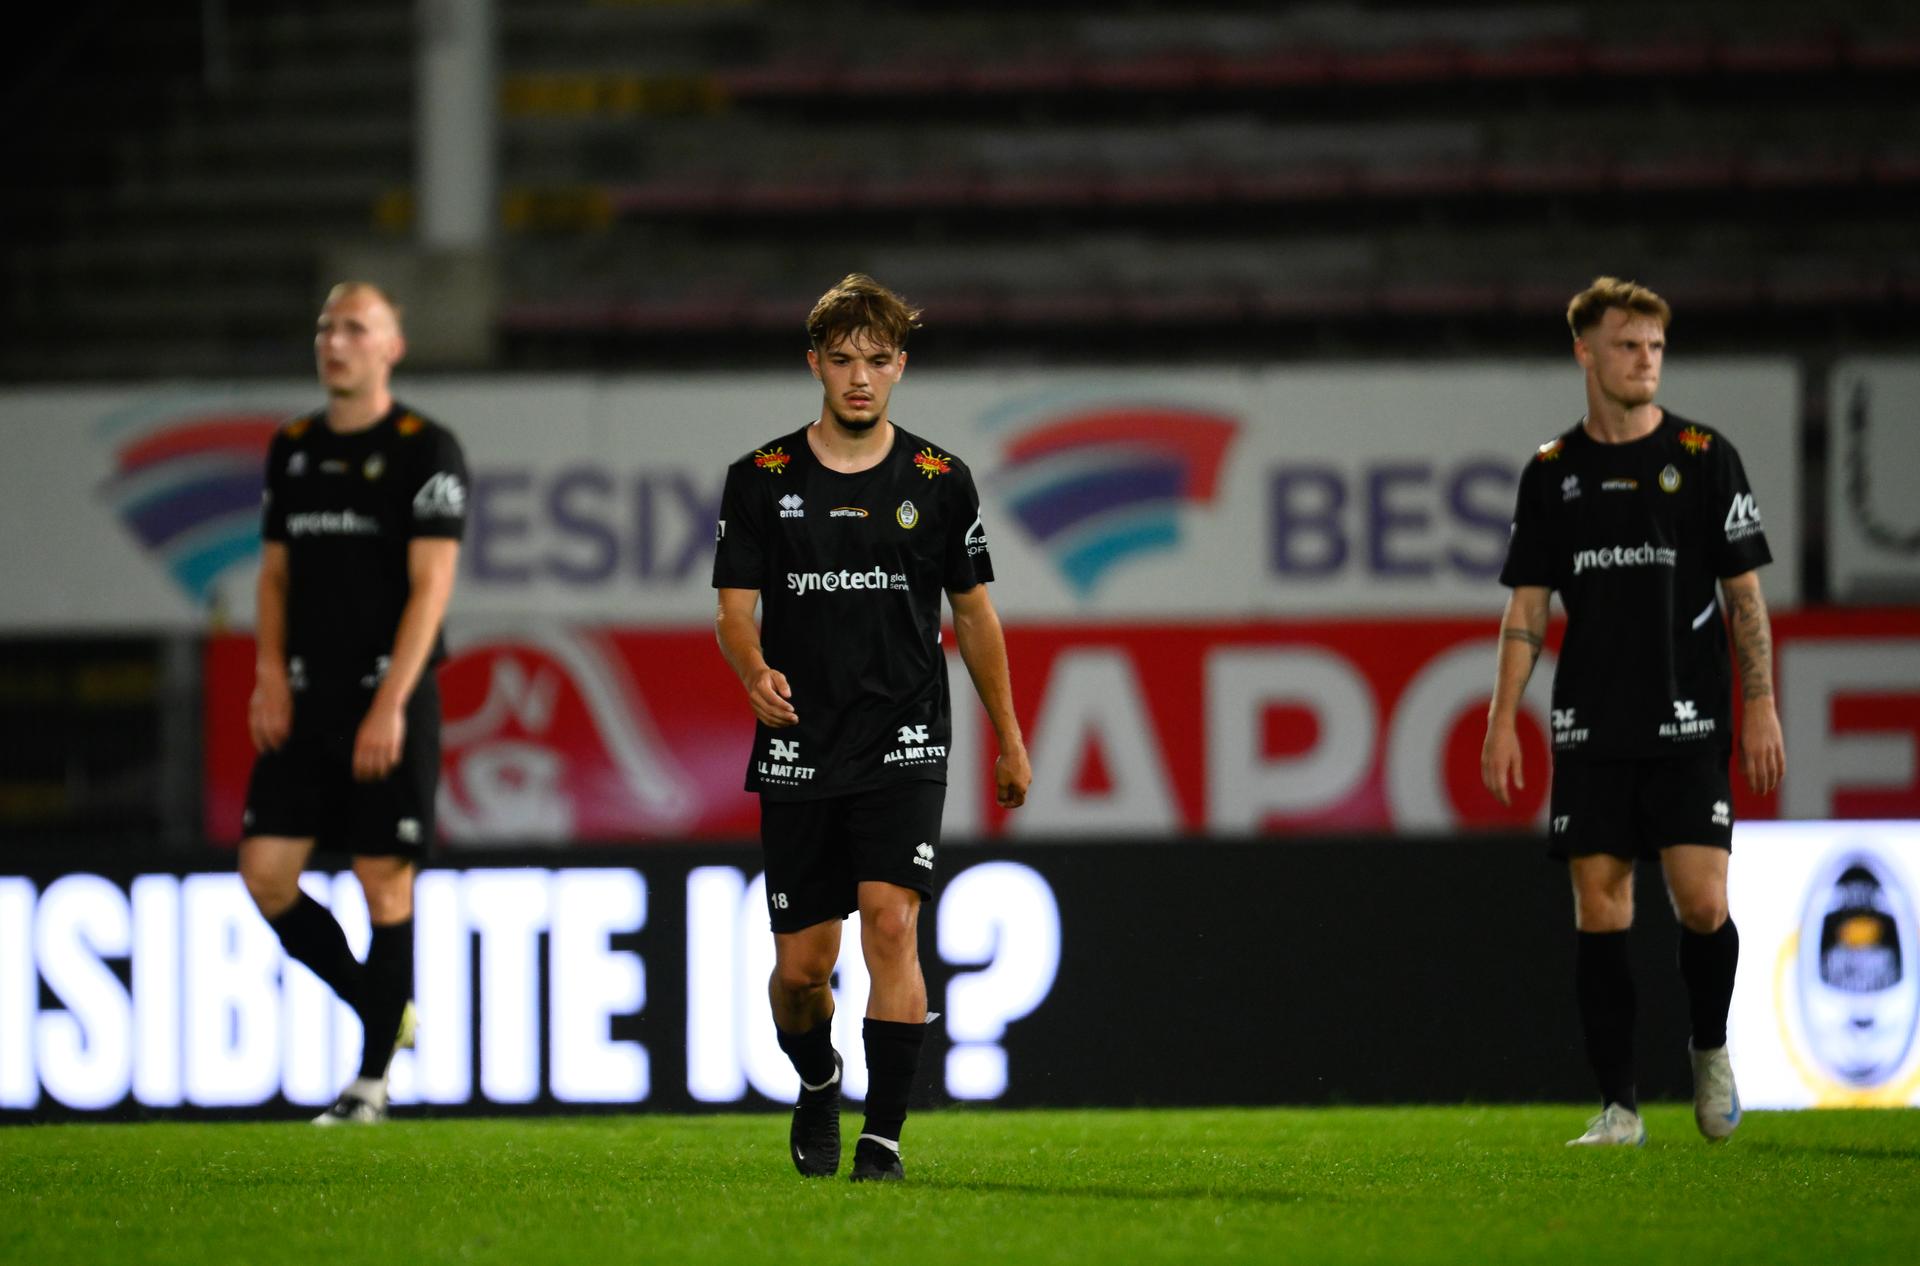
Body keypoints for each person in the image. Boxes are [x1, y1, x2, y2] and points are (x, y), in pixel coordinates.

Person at [712, 274, 1031, 1181]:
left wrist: (1008, 734)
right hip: (800, 741)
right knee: (803, 969)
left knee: (891, 927)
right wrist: (752, 670)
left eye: (877, 361)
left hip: (905, 736)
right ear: (814, 363)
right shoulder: (760, 479)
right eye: (843, 360)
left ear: (901, 367)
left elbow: (973, 617)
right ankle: (818, 1081)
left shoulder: (939, 481)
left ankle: (882, 1142)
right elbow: (734, 612)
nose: (860, 378)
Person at [1482, 277, 1785, 1147]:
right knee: (1601, 908)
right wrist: (1502, 718)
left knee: (1700, 900)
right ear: (1585, 352)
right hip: (1592, 724)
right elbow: (1527, 613)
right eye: (1626, 345)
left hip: (1689, 717)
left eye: (1654, 346)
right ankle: (1619, 1108)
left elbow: (1745, 598)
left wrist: (1759, 705)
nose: (1644, 360)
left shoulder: (1702, 454)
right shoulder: (1552, 474)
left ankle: (1710, 1047)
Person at [237, 281, 468, 1124]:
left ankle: (370, 1083)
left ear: (391, 345)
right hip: (304, 696)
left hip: (387, 697)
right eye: (326, 325)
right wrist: (268, 671)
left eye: (355, 327)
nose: (335, 340)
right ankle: (385, 1005)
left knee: (384, 882)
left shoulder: (424, 447)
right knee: (265, 874)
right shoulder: (291, 447)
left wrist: (392, 701)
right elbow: (273, 575)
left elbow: (432, 586)